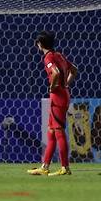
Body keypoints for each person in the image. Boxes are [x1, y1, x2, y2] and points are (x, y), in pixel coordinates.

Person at [28, 31, 77, 177]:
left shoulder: (48, 57)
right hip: (63, 94)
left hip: (57, 97)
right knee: (51, 131)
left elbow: (55, 73)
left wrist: (53, 86)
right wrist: (66, 84)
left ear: (39, 44)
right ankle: (45, 166)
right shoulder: (59, 55)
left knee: (59, 132)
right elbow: (74, 70)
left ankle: (65, 167)